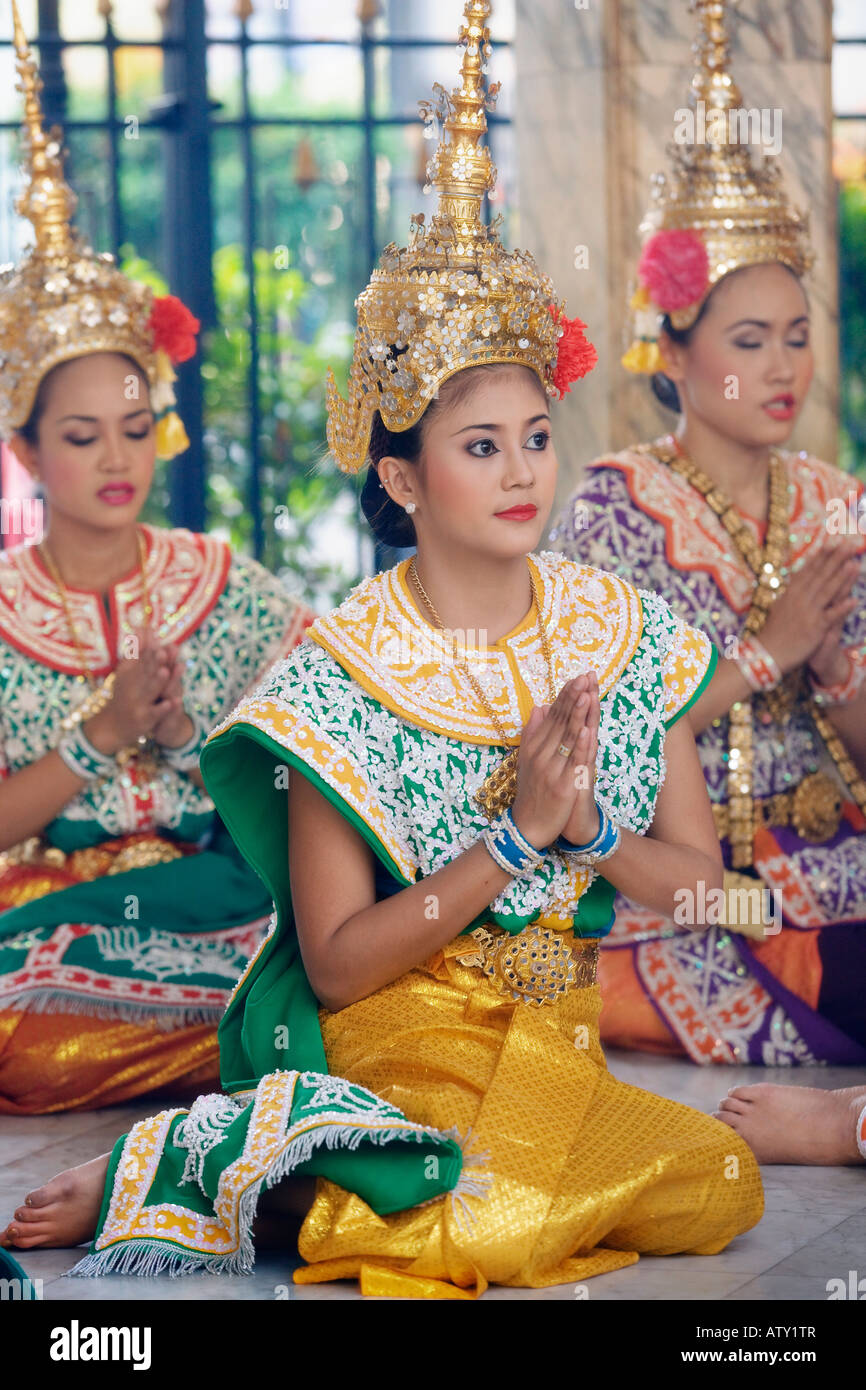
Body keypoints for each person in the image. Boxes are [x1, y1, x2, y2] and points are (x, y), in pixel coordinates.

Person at [2, 0, 762, 1297]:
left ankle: (296, 1161)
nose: (524, 471)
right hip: (392, 1025)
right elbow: (343, 956)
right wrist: (510, 840)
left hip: (548, 1031)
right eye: (481, 447)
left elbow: (698, 886)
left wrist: (585, 839)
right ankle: (207, 1151)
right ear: (402, 479)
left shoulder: (615, 630)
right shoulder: (339, 674)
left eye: (534, 435)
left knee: (718, 1185)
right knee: (485, 1224)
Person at [0, 3, 312, 1115]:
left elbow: (306, 767)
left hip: (219, 899)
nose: (116, 458)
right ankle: (259, 1063)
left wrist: (191, 738)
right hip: (46, 921)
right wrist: (103, 737)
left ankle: (261, 1050)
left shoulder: (222, 588)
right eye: (81, 438)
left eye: (135, 428)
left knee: (348, 976)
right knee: (25, 1044)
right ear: (28, 447)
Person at [550, 0, 866, 1082]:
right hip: (695, 889)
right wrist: (765, 650)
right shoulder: (613, 510)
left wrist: (831, 677)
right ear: (670, 351)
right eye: (746, 341)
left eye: (794, 337)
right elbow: (607, 730)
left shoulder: (836, 503)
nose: (781, 368)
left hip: (842, 858)